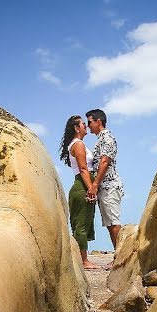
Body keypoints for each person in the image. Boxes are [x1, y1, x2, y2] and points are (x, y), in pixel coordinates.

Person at [59, 114, 99, 270]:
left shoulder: (78, 144)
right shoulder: (78, 145)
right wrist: (91, 188)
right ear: (76, 128)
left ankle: (82, 259)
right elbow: (83, 169)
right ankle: (83, 261)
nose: (86, 126)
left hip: (82, 185)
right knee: (81, 223)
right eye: (83, 124)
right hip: (82, 186)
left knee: (83, 222)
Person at [86, 108, 124, 256]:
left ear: (98, 121)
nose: (88, 126)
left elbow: (105, 162)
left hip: (109, 186)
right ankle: (119, 256)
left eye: (90, 122)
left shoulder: (107, 138)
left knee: (113, 223)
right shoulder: (101, 139)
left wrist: (94, 185)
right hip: (105, 187)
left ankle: (121, 257)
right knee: (110, 224)